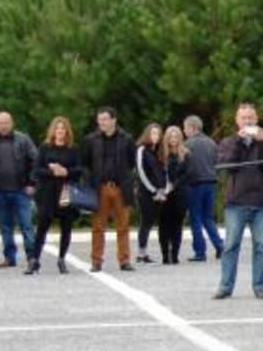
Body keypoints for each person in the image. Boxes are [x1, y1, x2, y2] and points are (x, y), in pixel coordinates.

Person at [214, 102, 263, 299]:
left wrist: (262, 142)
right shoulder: (228, 142)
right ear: (237, 121)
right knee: (231, 245)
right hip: (236, 201)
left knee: (261, 246)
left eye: (251, 118)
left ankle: (259, 286)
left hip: (261, 201)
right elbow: (229, 166)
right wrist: (240, 142)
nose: (247, 121)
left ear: (256, 120)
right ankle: (225, 286)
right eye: (244, 118)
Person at [0, 110, 39, 269]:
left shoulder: (23, 139)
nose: (3, 126)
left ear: (12, 123)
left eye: (6, 122)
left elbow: (36, 160)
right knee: (5, 227)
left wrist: (32, 183)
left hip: (21, 191)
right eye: (0, 123)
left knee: (26, 225)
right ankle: (9, 258)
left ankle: (32, 257)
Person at [80, 106, 137, 272]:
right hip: (100, 188)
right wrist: (90, 181)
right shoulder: (91, 140)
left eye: (105, 119)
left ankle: (124, 260)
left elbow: (132, 163)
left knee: (123, 226)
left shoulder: (126, 139)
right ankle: (96, 261)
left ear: (114, 120)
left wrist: (127, 180)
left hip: (120, 187)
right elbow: (85, 163)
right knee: (98, 227)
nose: (101, 122)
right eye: (99, 119)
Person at [29, 116, 81, 275]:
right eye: (57, 128)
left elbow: (79, 170)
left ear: (67, 132)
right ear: (53, 130)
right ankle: (34, 260)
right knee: (42, 226)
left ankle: (62, 259)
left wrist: (66, 171)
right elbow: (36, 171)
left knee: (66, 227)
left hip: (66, 192)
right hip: (47, 192)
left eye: (63, 129)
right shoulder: (45, 148)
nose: (60, 132)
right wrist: (53, 171)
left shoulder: (73, 149)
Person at [183, 115, 224, 262]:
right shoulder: (211, 143)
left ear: (192, 127)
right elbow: (216, 162)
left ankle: (200, 251)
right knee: (208, 218)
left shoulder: (188, 144)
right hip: (211, 183)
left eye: (185, 128)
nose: (184, 131)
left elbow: (185, 166)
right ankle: (220, 246)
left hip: (195, 184)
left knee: (196, 218)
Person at [134, 123, 165, 264]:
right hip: (145, 192)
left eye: (158, 134)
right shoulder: (141, 150)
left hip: (159, 193)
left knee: (151, 221)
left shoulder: (158, 151)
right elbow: (141, 172)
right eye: (153, 133)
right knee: (145, 222)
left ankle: (144, 252)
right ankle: (141, 253)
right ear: (147, 134)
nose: (155, 136)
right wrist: (153, 190)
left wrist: (162, 190)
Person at [159, 126, 190, 265]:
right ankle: (165, 255)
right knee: (164, 225)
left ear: (180, 138)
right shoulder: (161, 155)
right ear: (166, 138)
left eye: (176, 137)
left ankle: (175, 254)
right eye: (171, 137)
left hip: (180, 193)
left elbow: (187, 174)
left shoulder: (186, 154)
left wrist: (174, 185)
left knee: (177, 225)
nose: (173, 140)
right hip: (164, 194)